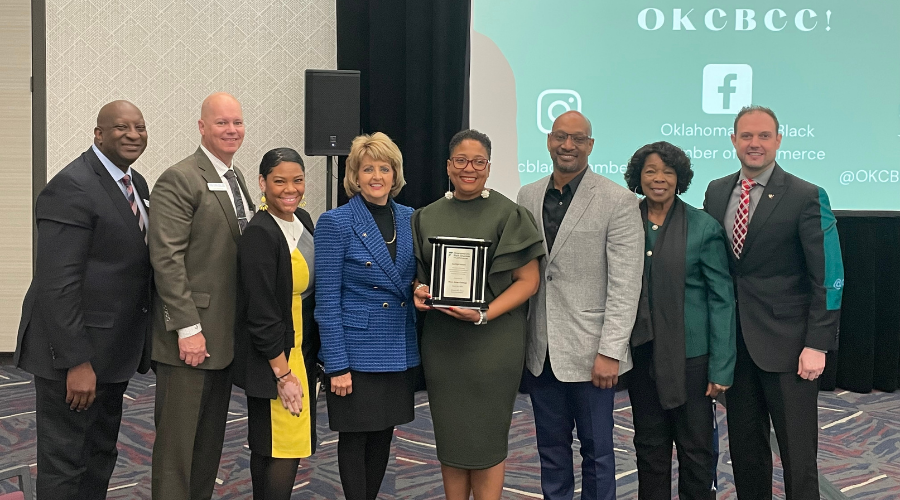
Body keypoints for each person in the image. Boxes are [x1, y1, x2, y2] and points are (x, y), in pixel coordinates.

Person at [703, 105, 843, 500]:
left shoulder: (806, 195)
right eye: (746, 136)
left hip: (790, 348)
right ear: (733, 141)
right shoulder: (716, 191)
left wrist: (817, 343)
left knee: (798, 457)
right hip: (736, 347)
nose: (755, 143)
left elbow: (828, 276)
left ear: (778, 140)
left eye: (764, 135)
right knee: (746, 453)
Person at [14, 100, 151, 499]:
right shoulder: (71, 186)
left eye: (140, 127)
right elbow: (58, 283)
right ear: (98, 134)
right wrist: (77, 362)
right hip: (72, 358)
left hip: (112, 352)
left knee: (99, 453)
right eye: (121, 127)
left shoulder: (135, 183)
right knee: (65, 462)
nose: (133, 135)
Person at [516, 110, 643, 500]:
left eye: (577, 139)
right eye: (559, 137)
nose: (567, 145)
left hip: (593, 355)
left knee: (598, 453)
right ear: (549, 141)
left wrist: (611, 351)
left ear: (590, 145)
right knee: (550, 451)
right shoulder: (528, 195)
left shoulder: (618, 201)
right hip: (542, 351)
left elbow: (626, 284)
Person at [412, 129, 544, 500]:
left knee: (486, 440)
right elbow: (420, 279)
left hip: (493, 344)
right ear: (448, 166)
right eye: (461, 161)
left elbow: (528, 281)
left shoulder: (510, 214)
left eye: (478, 162)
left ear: (489, 167)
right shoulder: (426, 216)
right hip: (444, 345)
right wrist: (419, 291)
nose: (469, 169)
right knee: (451, 438)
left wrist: (484, 313)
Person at [149, 92, 255, 500]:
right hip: (190, 339)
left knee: (207, 446)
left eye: (238, 123)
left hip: (224, 338)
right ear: (201, 127)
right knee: (177, 451)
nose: (232, 130)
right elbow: (166, 259)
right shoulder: (180, 177)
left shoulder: (236, 177)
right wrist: (188, 328)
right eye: (222, 123)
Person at [622, 141, 736, 499]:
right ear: (638, 178)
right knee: (650, 447)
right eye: (650, 171)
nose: (659, 179)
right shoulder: (624, 223)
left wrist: (722, 367)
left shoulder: (703, 227)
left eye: (668, 172)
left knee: (696, 450)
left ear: (680, 178)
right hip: (642, 354)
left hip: (693, 360)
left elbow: (722, 301)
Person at [314, 132, 419, 500]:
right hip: (355, 354)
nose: (377, 176)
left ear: (395, 174)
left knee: (383, 434)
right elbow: (326, 300)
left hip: (397, 348)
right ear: (355, 176)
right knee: (356, 437)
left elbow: (414, 281)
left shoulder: (411, 218)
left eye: (385, 168)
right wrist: (336, 365)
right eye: (368, 168)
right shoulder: (335, 222)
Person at [233, 148, 318, 499]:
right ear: (262, 183)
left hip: (302, 352)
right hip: (276, 359)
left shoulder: (305, 221)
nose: (290, 189)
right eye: (279, 181)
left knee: (279, 447)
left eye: (297, 180)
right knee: (280, 448)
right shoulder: (260, 233)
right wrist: (282, 375)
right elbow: (262, 312)